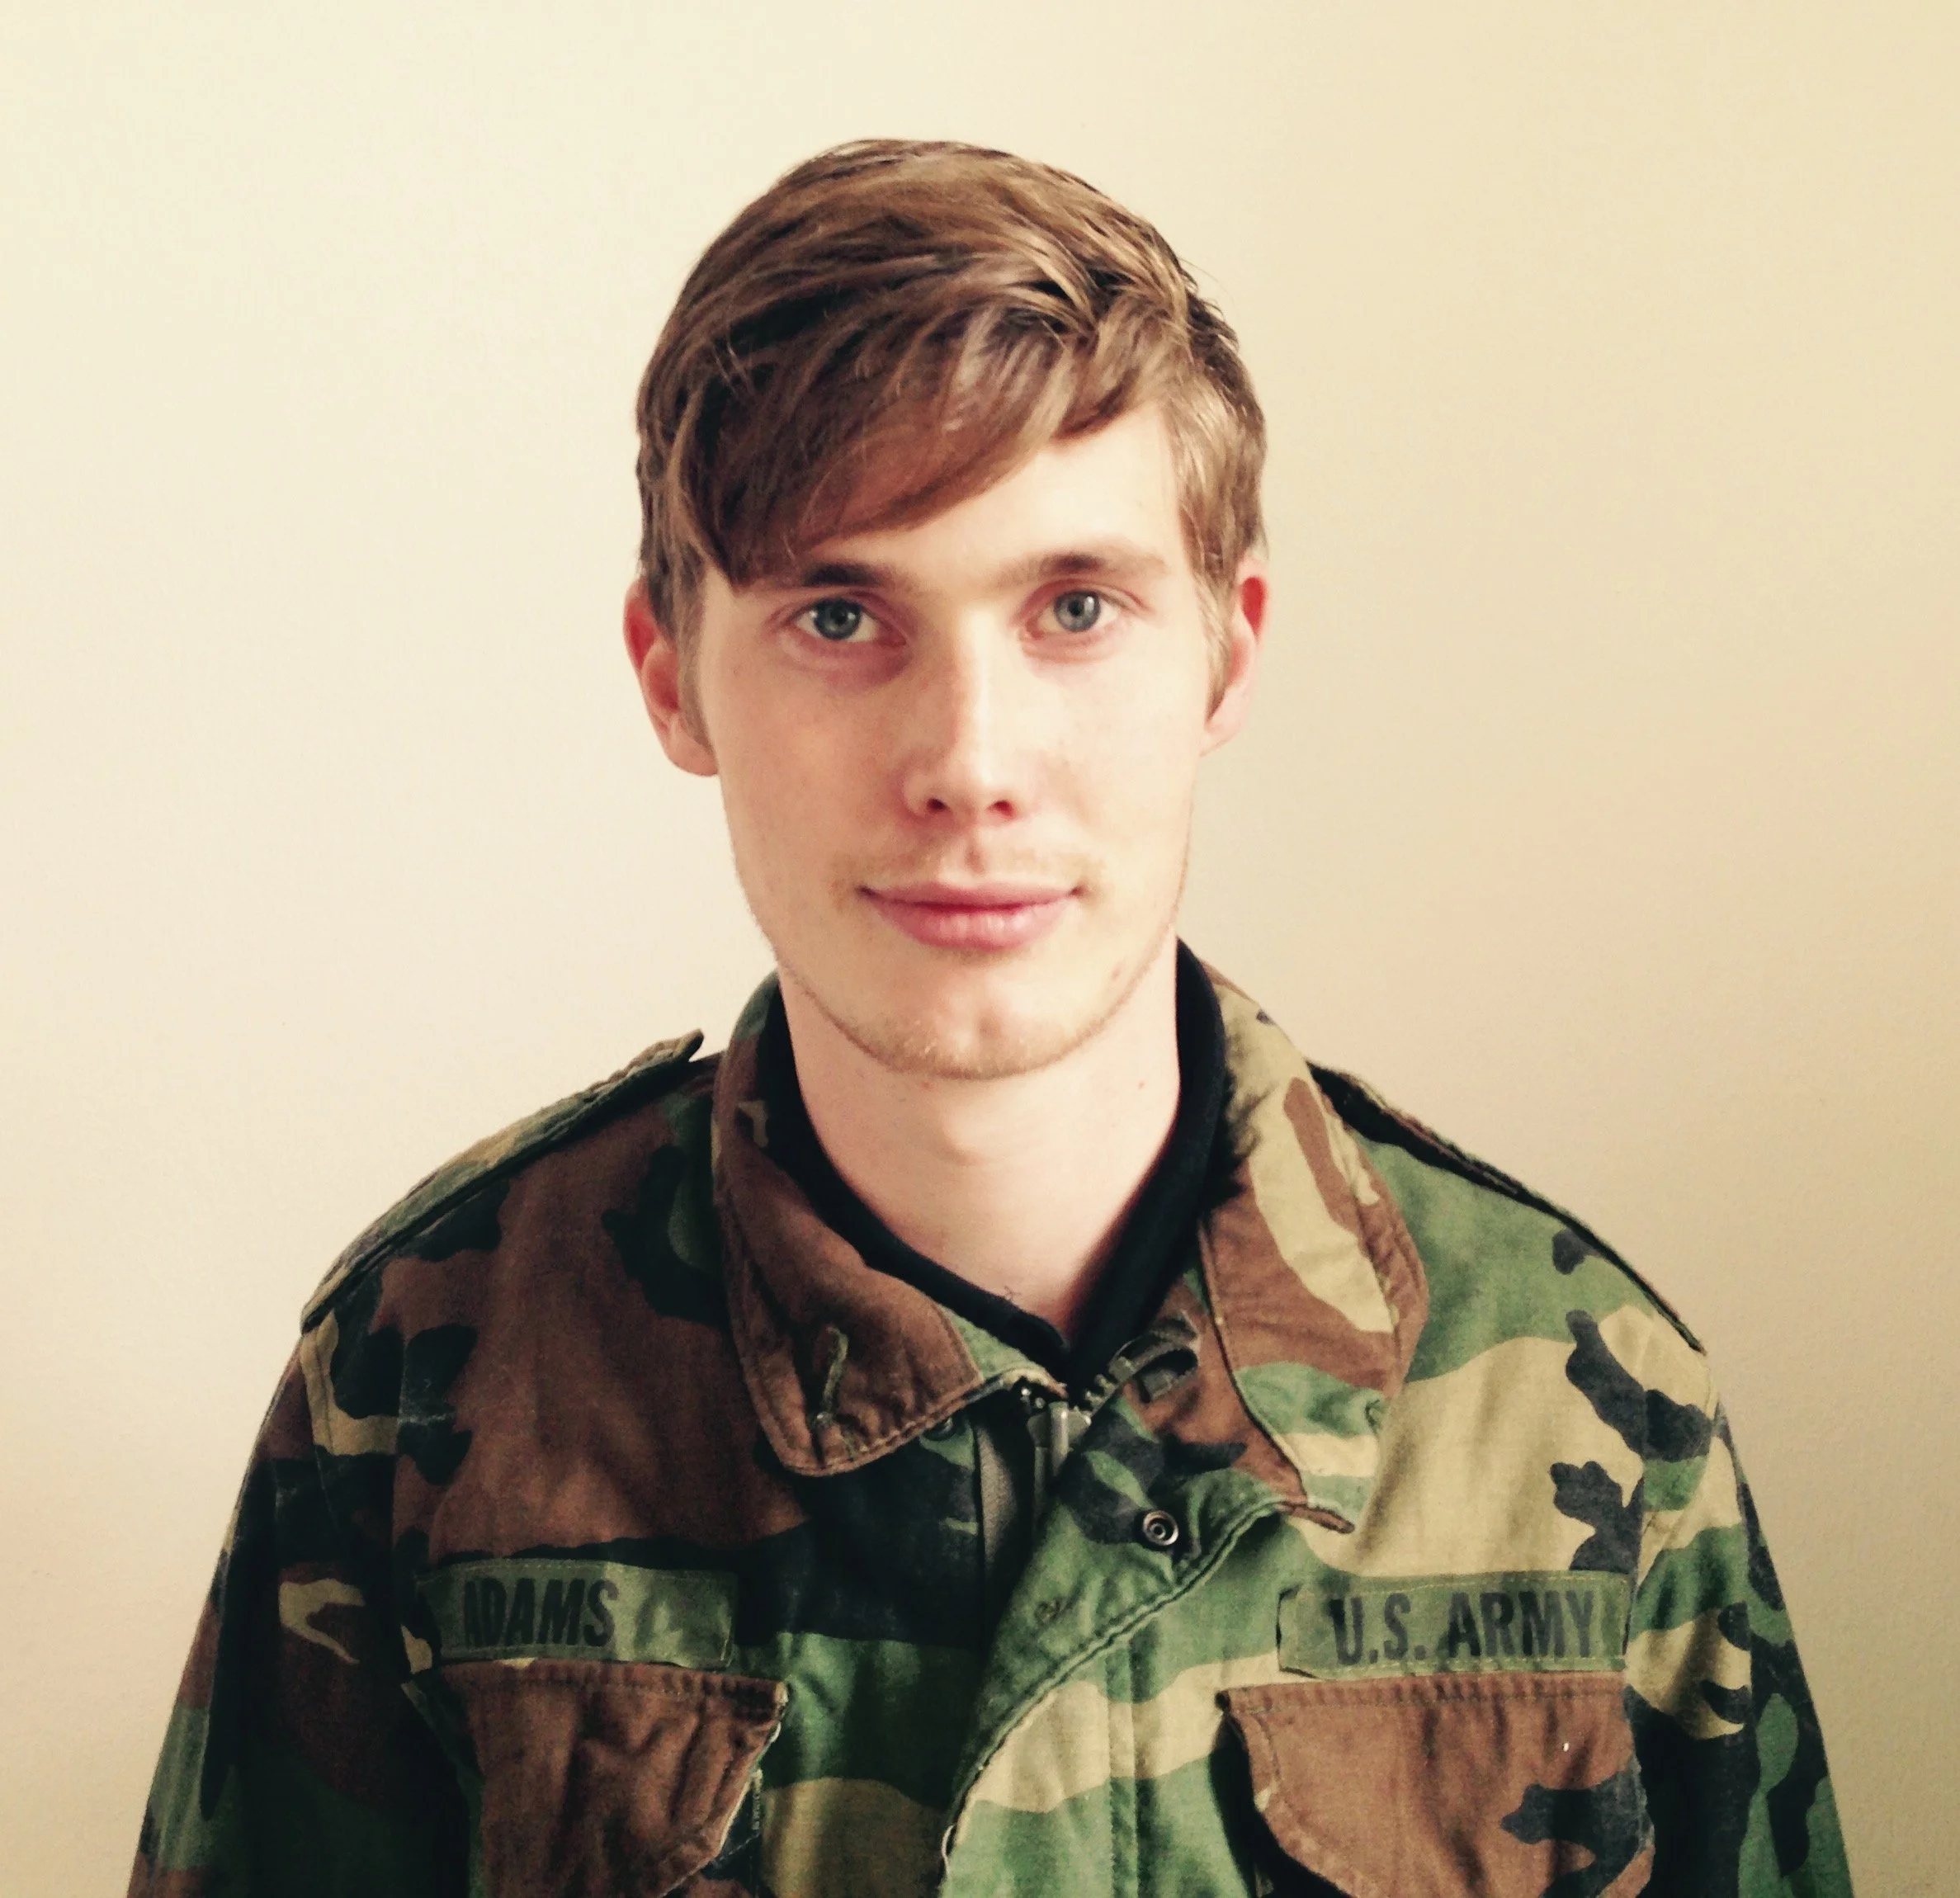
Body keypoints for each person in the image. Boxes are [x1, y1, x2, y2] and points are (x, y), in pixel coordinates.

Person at [131, 139, 1853, 1898]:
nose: (966, 762)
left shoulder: (1575, 1390)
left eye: (1076, 608)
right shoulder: (428, 1371)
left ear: (1226, 654)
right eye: (837, 613)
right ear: (671, 675)